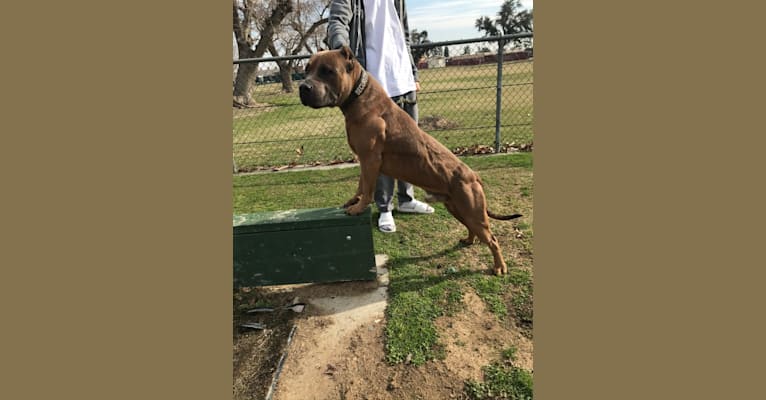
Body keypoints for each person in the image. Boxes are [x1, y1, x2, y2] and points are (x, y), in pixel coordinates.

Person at [328, 0, 434, 233]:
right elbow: (337, 21)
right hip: (372, 85)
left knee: (409, 147)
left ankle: (407, 200)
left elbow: (403, 35)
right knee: (378, 151)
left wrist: (412, 73)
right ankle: (384, 208)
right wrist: (341, 49)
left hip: (403, 80)